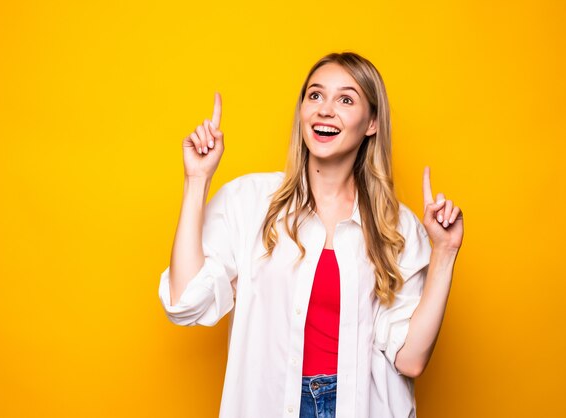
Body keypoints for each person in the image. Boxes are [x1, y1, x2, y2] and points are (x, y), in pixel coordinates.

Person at [159, 52, 464, 418]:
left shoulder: (397, 228)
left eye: (346, 100)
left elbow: (411, 359)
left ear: (371, 124)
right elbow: (184, 302)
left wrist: (444, 251)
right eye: (315, 96)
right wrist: (197, 180)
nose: (324, 110)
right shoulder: (250, 202)